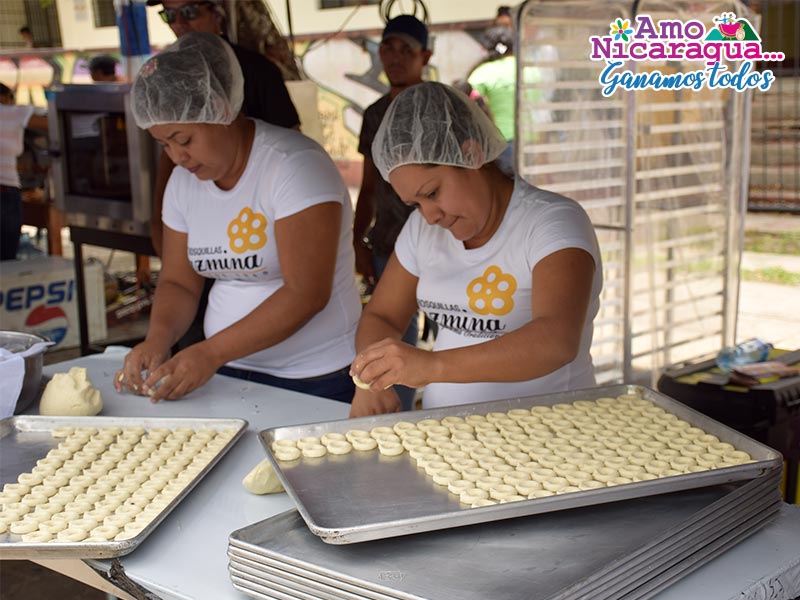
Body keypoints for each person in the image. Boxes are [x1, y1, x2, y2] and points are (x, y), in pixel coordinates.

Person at [115, 32, 361, 403]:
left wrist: (210, 352)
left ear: (220, 108)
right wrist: (158, 339)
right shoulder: (184, 183)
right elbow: (180, 282)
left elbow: (306, 293)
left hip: (317, 377)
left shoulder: (293, 167)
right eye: (164, 144)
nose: (177, 157)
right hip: (228, 371)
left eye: (184, 139)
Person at [349, 82, 602, 417]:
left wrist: (431, 366)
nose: (430, 215)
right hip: (453, 435)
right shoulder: (421, 230)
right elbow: (382, 315)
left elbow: (555, 340)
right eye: (415, 203)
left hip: (553, 432)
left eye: (433, 193)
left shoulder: (551, 223)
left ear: (471, 155)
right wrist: (371, 379)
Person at [146, 0, 301, 351]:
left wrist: (208, 357)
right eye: (170, 15)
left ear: (217, 13)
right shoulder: (164, 77)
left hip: (262, 246)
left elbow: (292, 143)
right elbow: (177, 283)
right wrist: (160, 221)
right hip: (203, 246)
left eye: (189, 12)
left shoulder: (258, 72)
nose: (180, 23)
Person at [352, 14, 431, 411]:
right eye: (388, 48)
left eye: (407, 50)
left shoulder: (438, 109)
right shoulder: (375, 114)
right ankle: (393, 416)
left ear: (425, 56)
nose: (395, 58)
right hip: (388, 243)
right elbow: (368, 186)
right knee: (395, 336)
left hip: (440, 241)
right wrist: (357, 240)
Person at [0, 84, 47, 261]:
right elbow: (54, 123)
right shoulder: (12, 112)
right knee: (6, 259)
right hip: (5, 193)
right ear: (5, 98)